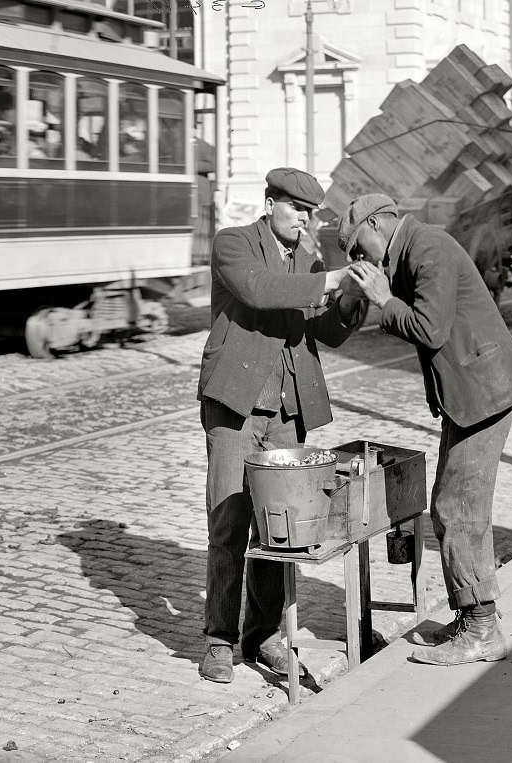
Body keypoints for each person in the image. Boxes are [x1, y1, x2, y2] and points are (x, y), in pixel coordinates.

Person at [341, 194, 512, 666]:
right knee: (454, 502)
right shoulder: (413, 250)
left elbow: (429, 330)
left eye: (356, 245)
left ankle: (481, 629)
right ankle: (473, 615)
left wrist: (384, 299)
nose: (357, 257)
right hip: (472, 393)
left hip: (485, 391)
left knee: (457, 506)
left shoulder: (427, 248)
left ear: (375, 223)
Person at [196, 167, 366, 683]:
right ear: (270, 203)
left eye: (312, 213)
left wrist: (352, 296)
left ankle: (262, 634)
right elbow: (258, 290)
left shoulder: (309, 261)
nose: (305, 220)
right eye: (297, 210)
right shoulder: (234, 245)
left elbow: (328, 331)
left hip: (287, 412)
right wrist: (329, 278)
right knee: (229, 523)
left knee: (280, 529)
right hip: (236, 407)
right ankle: (219, 640)